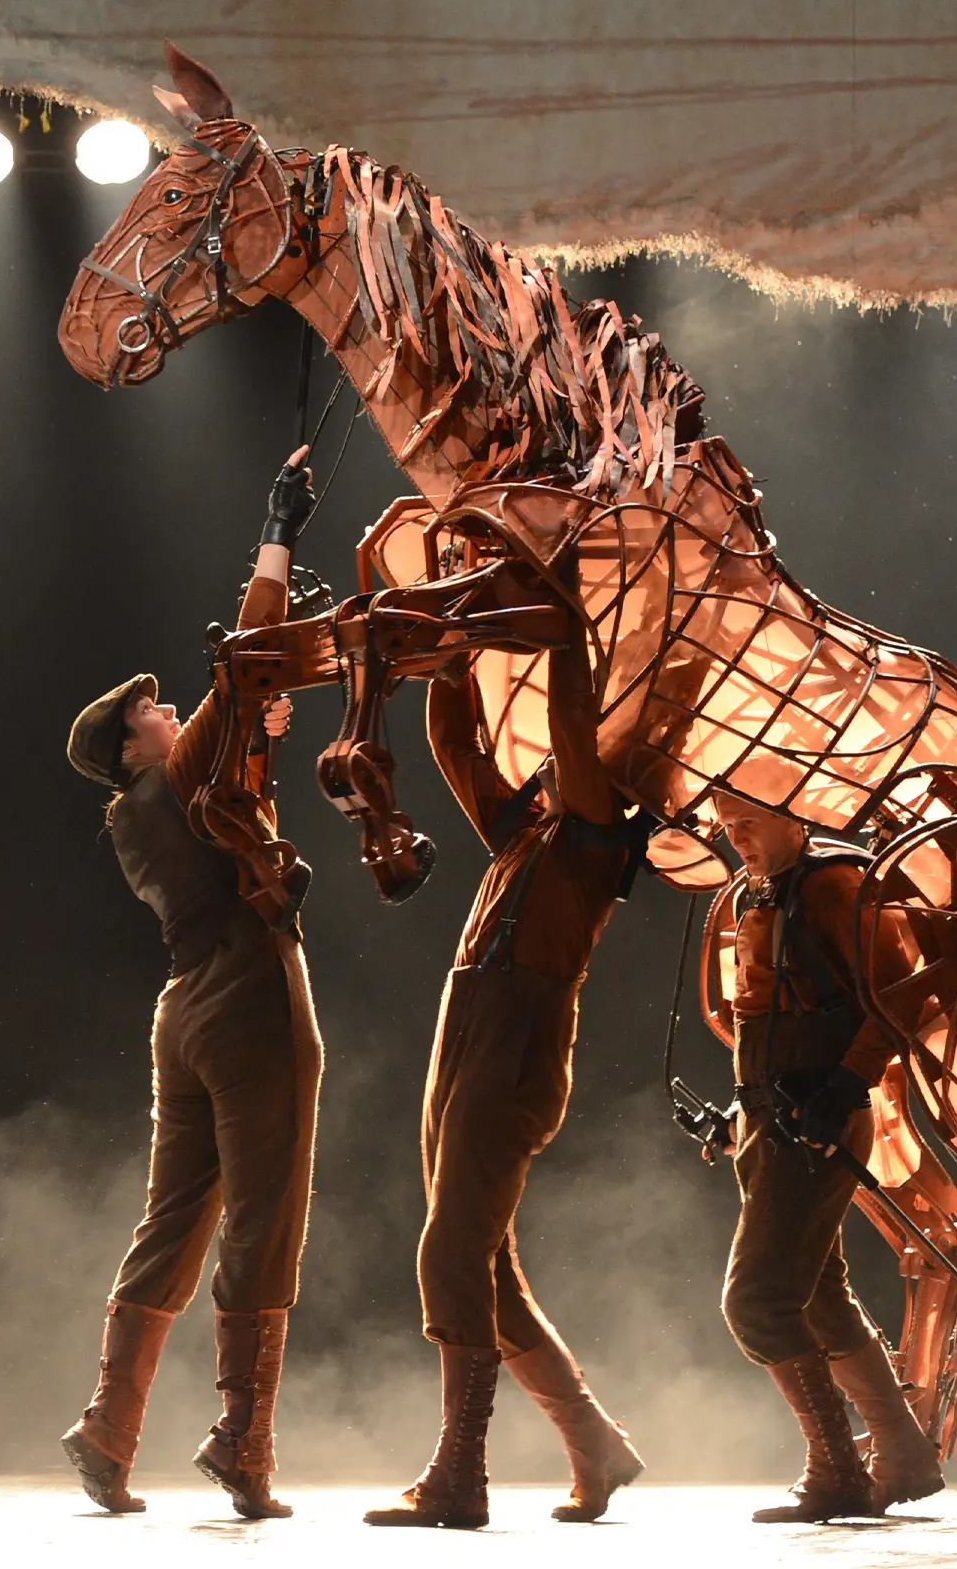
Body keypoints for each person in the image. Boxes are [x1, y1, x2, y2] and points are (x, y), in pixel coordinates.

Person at [57, 459, 325, 1521]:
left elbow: (237, 745)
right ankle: (242, 1442)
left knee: (172, 1217)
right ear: (133, 746)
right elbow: (251, 658)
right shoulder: (173, 772)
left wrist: (250, 754)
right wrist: (274, 532)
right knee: (267, 1213)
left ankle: (107, 1430)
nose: (167, 706)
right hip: (252, 993)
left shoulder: (137, 812)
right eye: (151, 709)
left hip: (183, 1009)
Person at [362, 642, 648, 1529]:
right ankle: (595, 1446)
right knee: (488, 1272)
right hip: (470, 1035)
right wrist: (448, 658)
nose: (547, 766)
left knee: (451, 1256)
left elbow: (570, 726)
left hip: (515, 1043)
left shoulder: (598, 830)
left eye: (568, 760)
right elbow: (456, 747)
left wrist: (561, 632)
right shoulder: (528, 835)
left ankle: (459, 1474)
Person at [705, 786, 946, 1523]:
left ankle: (838, 1468)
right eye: (726, 827)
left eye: (748, 823)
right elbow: (761, 1010)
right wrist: (739, 1107)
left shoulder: (834, 884)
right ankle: (902, 1457)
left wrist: (847, 1081)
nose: (736, 838)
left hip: (817, 1118)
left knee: (757, 1303)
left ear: (792, 814)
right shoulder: (760, 891)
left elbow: (905, 991)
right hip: (771, 1118)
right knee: (817, 1295)